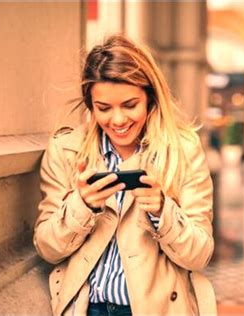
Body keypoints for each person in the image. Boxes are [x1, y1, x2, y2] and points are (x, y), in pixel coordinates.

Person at [33, 34, 215, 316]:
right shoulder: (65, 150)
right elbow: (47, 247)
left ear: (150, 99)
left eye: (130, 105)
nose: (118, 121)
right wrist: (83, 206)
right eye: (104, 108)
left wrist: (162, 211)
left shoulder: (182, 151)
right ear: (90, 105)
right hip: (86, 309)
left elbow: (200, 253)